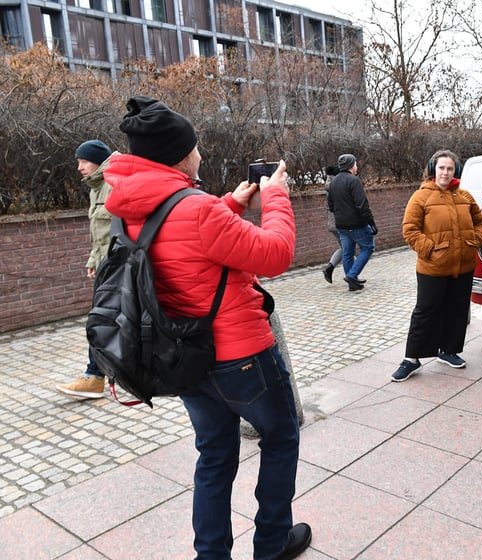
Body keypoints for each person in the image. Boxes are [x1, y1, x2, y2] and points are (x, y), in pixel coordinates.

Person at [102, 96, 310, 559]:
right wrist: (275, 195)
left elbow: (179, 240)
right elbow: (275, 253)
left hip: (184, 356)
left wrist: (230, 204)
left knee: (214, 457)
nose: (200, 154)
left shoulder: (131, 205)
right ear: (178, 153)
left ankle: (211, 554)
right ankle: (272, 544)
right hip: (242, 357)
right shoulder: (196, 209)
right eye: (194, 146)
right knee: (281, 438)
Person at [391, 150, 482, 382]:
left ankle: (449, 351)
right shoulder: (420, 197)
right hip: (433, 268)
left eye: (450, 168)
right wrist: (431, 251)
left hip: (463, 266)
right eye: (441, 168)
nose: (445, 172)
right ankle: (411, 359)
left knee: (457, 309)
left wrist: (476, 240)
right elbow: (410, 230)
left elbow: (479, 221)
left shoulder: (464, 196)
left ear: (456, 171)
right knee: (425, 311)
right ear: (433, 169)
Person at [55, 140, 116, 399]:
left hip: (117, 269)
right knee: (108, 322)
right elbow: (100, 234)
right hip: (106, 267)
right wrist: (94, 260)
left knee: (99, 321)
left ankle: (94, 377)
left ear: (98, 161)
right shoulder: (96, 187)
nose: (79, 167)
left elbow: (123, 232)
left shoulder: (113, 184)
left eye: (84, 161)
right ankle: (102, 374)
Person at [327, 154, 376, 291]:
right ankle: (352, 276)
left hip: (341, 225)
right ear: (351, 165)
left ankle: (351, 283)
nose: (356, 166)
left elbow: (331, 206)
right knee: (368, 248)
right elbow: (362, 205)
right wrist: (371, 222)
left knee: (347, 253)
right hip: (357, 224)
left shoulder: (333, 183)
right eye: (355, 164)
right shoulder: (354, 181)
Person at [322, 165, 343, 283]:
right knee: (347, 248)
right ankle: (351, 274)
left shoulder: (330, 185)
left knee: (345, 248)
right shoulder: (335, 187)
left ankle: (330, 269)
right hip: (339, 222)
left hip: (333, 223)